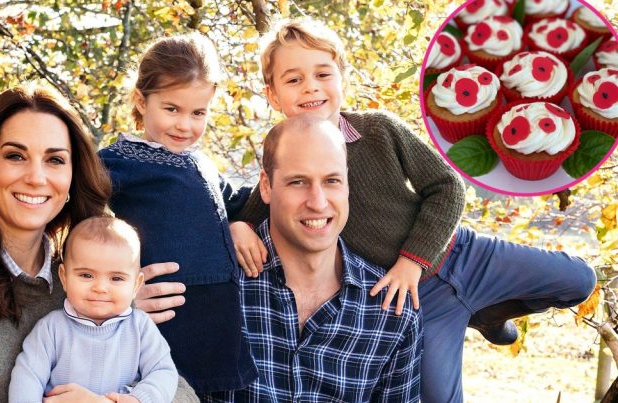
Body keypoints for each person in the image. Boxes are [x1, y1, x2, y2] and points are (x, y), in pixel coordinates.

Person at [225, 19, 597, 403]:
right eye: (294, 80)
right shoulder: (287, 164)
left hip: (459, 254)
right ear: (272, 96)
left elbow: (447, 186)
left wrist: (412, 260)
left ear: (342, 79)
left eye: (323, 74)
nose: (311, 88)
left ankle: (488, 312)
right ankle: (474, 315)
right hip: (418, 299)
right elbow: (256, 211)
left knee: (579, 281)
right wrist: (239, 227)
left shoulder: (379, 130)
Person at [0, 84, 190, 403]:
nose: (36, 177)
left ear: (73, 174)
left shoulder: (91, 274)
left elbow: (181, 392)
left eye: (55, 160)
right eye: (15, 156)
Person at [209, 115, 422, 402]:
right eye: (298, 182)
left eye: (332, 181)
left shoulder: (391, 311)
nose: (318, 202)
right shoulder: (214, 284)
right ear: (266, 186)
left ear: (347, 184)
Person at [97, 33, 257, 397]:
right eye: (172, 109)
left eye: (198, 113)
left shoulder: (202, 163)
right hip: (167, 326)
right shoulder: (117, 162)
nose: (185, 125)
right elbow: (77, 223)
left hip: (219, 332)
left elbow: (239, 201)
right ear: (141, 100)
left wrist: (240, 223)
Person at [8, 216, 177, 403]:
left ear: (136, 285)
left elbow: (162, 371)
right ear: (64, 278)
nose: (100, 288)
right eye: (86, 275)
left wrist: (140, 399)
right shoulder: (51, 329)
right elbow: (27, 376)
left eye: (116, 278)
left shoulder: (140, 327)